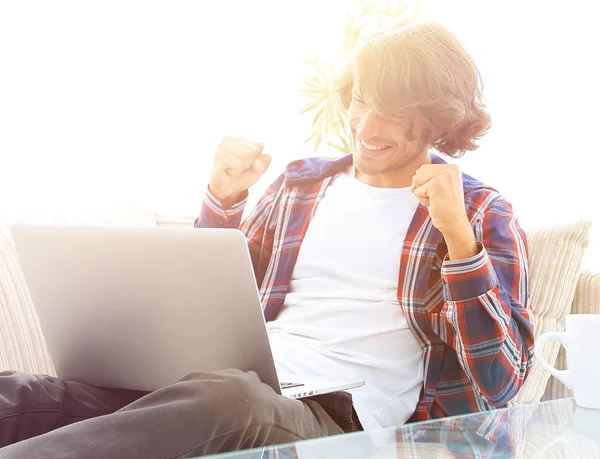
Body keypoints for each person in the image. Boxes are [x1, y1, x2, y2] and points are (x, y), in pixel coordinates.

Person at [0, 21, 535, 458]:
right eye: (361, 101)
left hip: (335, 422)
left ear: (442, 120)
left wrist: (460, 242)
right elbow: (200, 305)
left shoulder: (480, 212)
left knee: (228, 400)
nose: (367, 125)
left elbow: (500, 385)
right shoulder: (301, 186)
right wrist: (222, 199)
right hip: (213, 390)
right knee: (17, 393)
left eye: (394, 114)